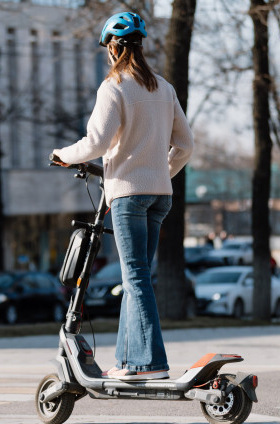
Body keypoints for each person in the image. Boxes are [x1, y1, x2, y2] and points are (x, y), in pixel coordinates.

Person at [52, 12, 194, 381]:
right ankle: (129, 363)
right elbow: (185, 145)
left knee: (134, 278)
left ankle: (151, 364)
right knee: (139, 278)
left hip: (129, 197)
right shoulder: (164, 88)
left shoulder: (114, 86)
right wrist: (162, 172)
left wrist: (63, 155)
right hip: (160, 196)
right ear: (140, 46)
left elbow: (97, 143)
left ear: (113, 49)